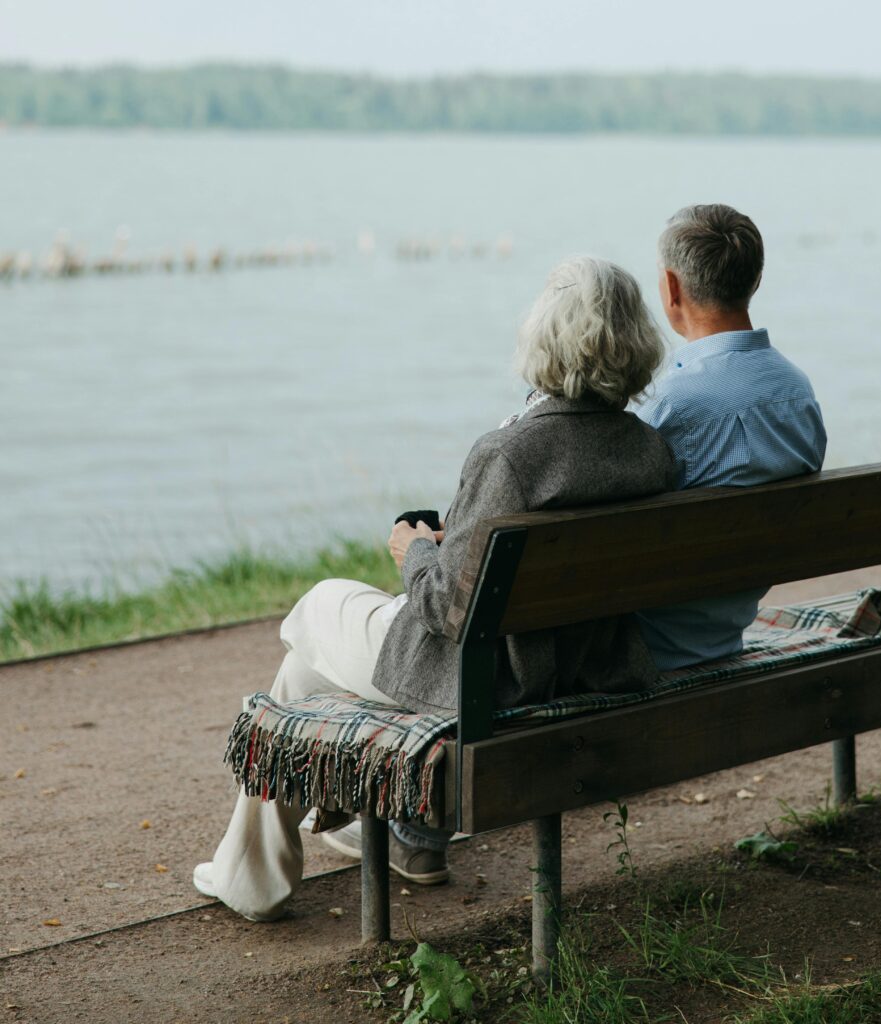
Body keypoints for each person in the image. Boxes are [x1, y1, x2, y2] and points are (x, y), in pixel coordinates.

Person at [193, 256, 675, 921]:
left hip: (490, 678)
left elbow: (449, 610)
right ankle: (386, 843)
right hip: (582, 665)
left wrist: (415, 548)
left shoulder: (508, 453)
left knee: (317, 609)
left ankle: (267, 872)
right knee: (303, 673)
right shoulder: (651, 450)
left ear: (545, 340)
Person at [634, 203, 827, 670]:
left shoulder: (665, 406)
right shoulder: (797, 395)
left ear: (672, 288)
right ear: (754, 281)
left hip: (646, 644)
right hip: (730, 626)